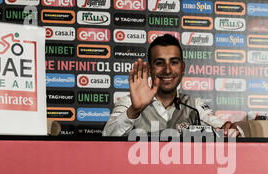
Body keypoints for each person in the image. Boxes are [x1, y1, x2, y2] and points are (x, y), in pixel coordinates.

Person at [102, 34, 238, 137]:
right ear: (149, 69)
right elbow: (106, 137)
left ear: (182, 67)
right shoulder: (130, 103)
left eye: (174, 62)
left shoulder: (194, 105)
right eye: (159, 63)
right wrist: (134, 111)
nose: (167, 70)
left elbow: (225, 130)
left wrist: (229, 129)